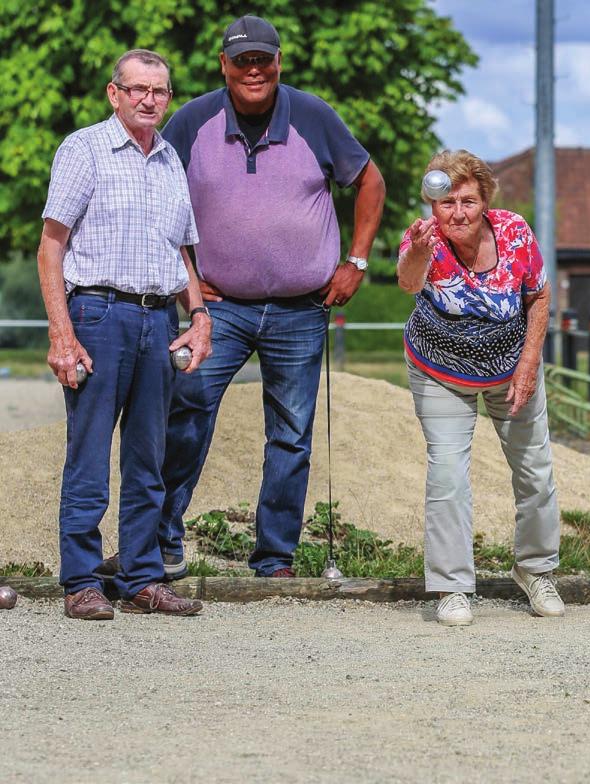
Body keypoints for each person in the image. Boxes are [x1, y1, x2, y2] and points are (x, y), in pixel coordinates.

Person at [154, 15, 386, 578]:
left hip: (302, 308)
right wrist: (183, 281)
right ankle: (160, 544)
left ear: (279, 62)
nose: (253, 70)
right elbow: (153, 195)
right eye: (242, 61)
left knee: (290, 433)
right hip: (218, 309)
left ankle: (275, 557)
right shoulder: (193, 120)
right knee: (185, 411)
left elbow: (370, 181)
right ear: (223, 65)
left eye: (264, 59)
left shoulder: (312, 115)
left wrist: (356, 260)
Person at [38, 49, 212, 620]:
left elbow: (181, 251)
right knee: (88, 455)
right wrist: (62, 334)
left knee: (148, 457)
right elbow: (51, 246)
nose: (148, 99)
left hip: (159, 319)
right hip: (98, 313)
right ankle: (82, 581)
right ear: (114, 94)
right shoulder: (83, 149)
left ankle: (142, 577)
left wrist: (199, 316)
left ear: (168, 97)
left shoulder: (169, 160)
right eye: (136, 89)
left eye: (159, 91)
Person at [397, 149, 564, 626]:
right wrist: (419, 252)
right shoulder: (423, 239)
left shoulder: (514, 232)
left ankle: (536, 570)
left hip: (511, 365)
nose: (458, 212)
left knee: (535, 470)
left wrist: (530, 361)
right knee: (448, 474)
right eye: (446, 202)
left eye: (468, 201)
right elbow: (408, 284)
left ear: (484, 200)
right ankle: (451, 586)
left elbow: (538, 294)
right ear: (433, 204)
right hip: (440, 369)